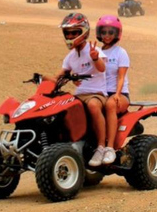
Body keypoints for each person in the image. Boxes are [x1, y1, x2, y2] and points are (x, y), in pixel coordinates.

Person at [43, 13, 108, 166]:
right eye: (68, 33)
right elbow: (60, 75)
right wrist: (46, 79)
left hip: (96, 93)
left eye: (74, 32)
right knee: (60, 108)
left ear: (84, 32)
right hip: (78, 95)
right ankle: (67, 144)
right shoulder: (70, 56)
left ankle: (101, 147)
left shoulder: (95, 51)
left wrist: (95, 58)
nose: (70, 35)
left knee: (93, 106)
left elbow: (102, 68)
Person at [97, 15, 130, 165]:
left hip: (120, 93)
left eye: (111, 32)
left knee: (110, 105)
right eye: (104, 32)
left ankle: (109, 148)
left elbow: (121, 77)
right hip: (101, 92)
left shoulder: (120, 53)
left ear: (117, 34)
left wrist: (117, 94)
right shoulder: (96, 51)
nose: (107, 36)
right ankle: (95, 146)